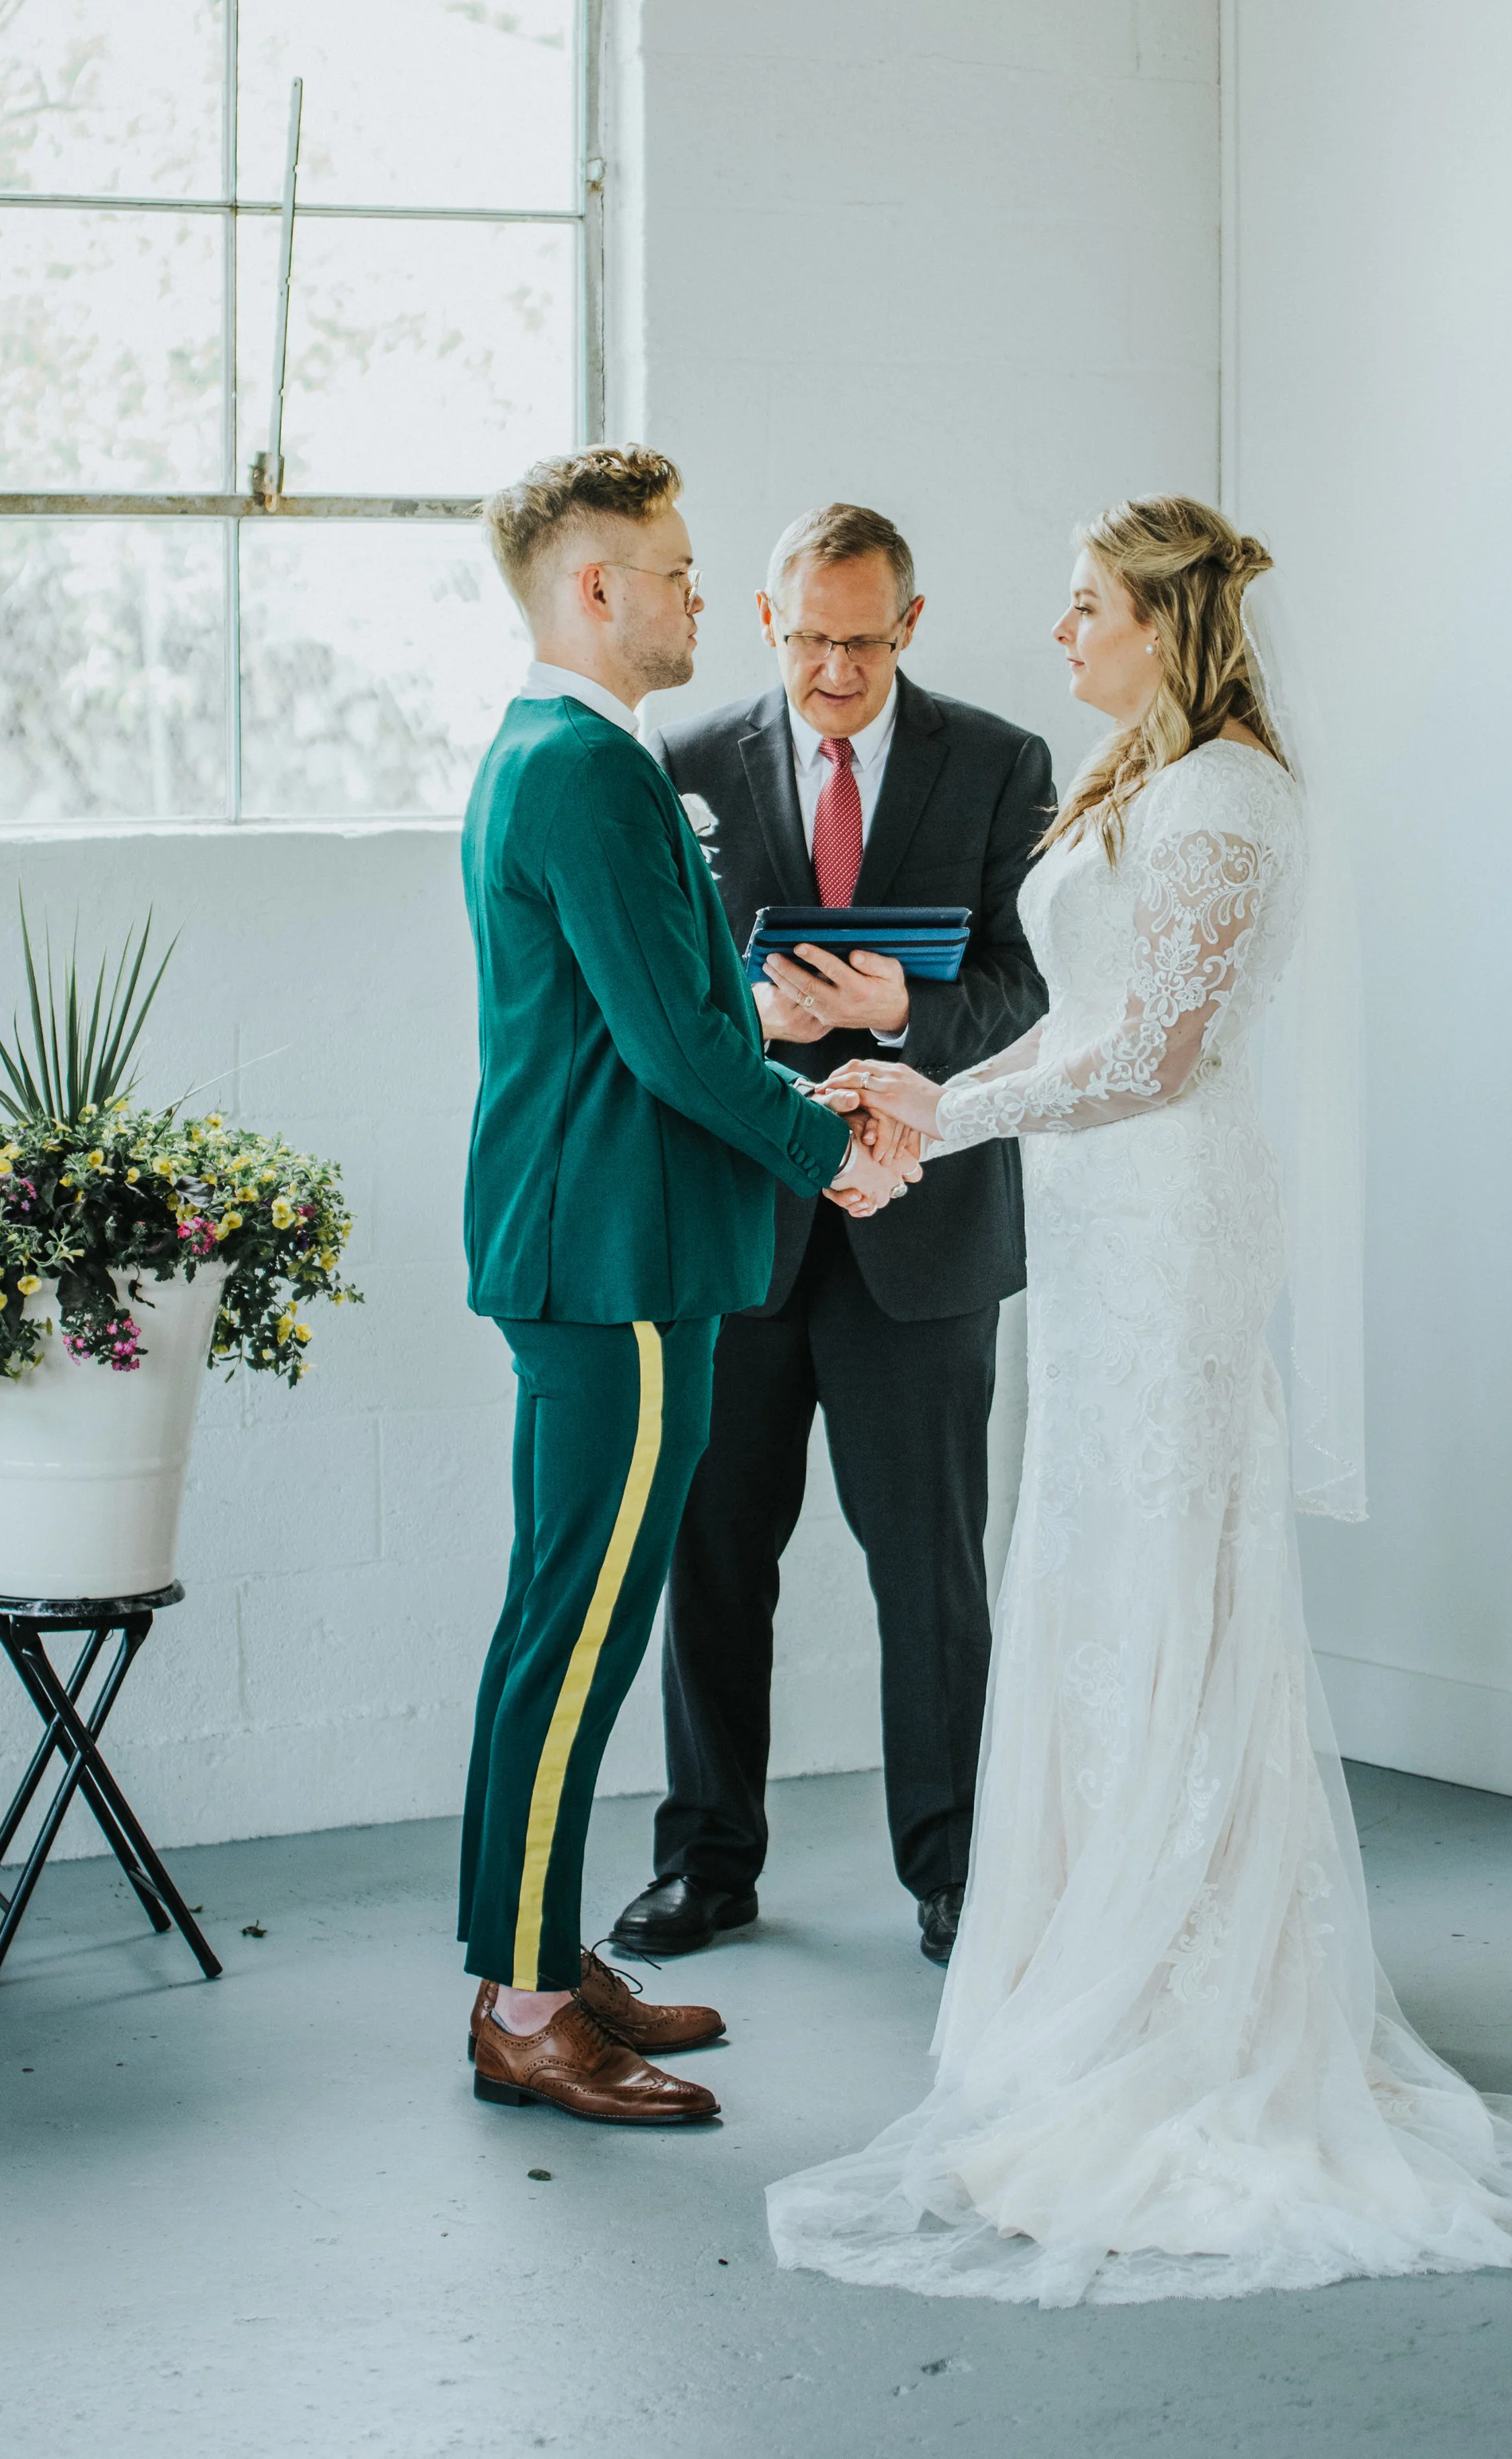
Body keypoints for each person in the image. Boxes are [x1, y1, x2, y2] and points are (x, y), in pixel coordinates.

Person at [766, 496, 1512, 2301]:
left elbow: (1162, 1053)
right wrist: (935, 1092)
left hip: (1174, 1220)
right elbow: (1081, 1016)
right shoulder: (1138, 776)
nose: (1058, 632)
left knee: (1166, 1576)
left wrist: (946, 1114)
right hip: (1093, 1220)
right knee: (1090, 1571)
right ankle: (1095, 1965)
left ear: (1164, 623)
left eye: (1084, 605)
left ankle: (1200, 2000)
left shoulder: (1228, 798)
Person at [456, 445, 915, 2129]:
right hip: (619, 1260)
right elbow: (664, 1044)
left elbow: (661, 1011)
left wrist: (775, 1054)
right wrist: (825, 1149)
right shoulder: (584, 768)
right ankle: (524, 2010)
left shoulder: (559, 751)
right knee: (578, 1635)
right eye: (673, 570)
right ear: (596, 587)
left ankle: (535, 1959)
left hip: (597, 1247)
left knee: (555, 1621)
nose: (700, 597)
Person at [611, 503, 1052, 1969]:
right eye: (810, 640)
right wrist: (753, 1013)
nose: (837, 671)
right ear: (766, 621)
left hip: (923, 1238)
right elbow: (654, 989)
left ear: (910, 624)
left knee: (929, 1571)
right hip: (739, 1228)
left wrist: (899, 1012)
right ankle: (706, 1864)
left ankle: (955, 1873)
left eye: (864, 642)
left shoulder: (998, 763)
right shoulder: (677, 761)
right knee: (713, 1561)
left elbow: (1035, 978)